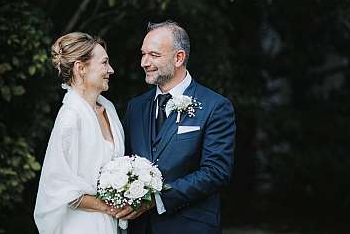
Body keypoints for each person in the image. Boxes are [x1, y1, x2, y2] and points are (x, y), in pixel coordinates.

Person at [120, 20, 236, 234]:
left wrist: (157, 199)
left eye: (154, 55)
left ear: (178, 58)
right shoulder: (135, 108)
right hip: (140, 228)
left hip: (190, 226)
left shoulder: (215, 106)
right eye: (143, 54)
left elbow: (216, 171)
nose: (144, 62)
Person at [34, 32, 125, 234]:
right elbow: (58, 188)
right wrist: (109, 207)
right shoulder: (70, 119)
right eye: (104, 63)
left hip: (109, 223)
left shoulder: (108, 109)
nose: (111, 70)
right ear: (81, 68)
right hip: (81, 225)